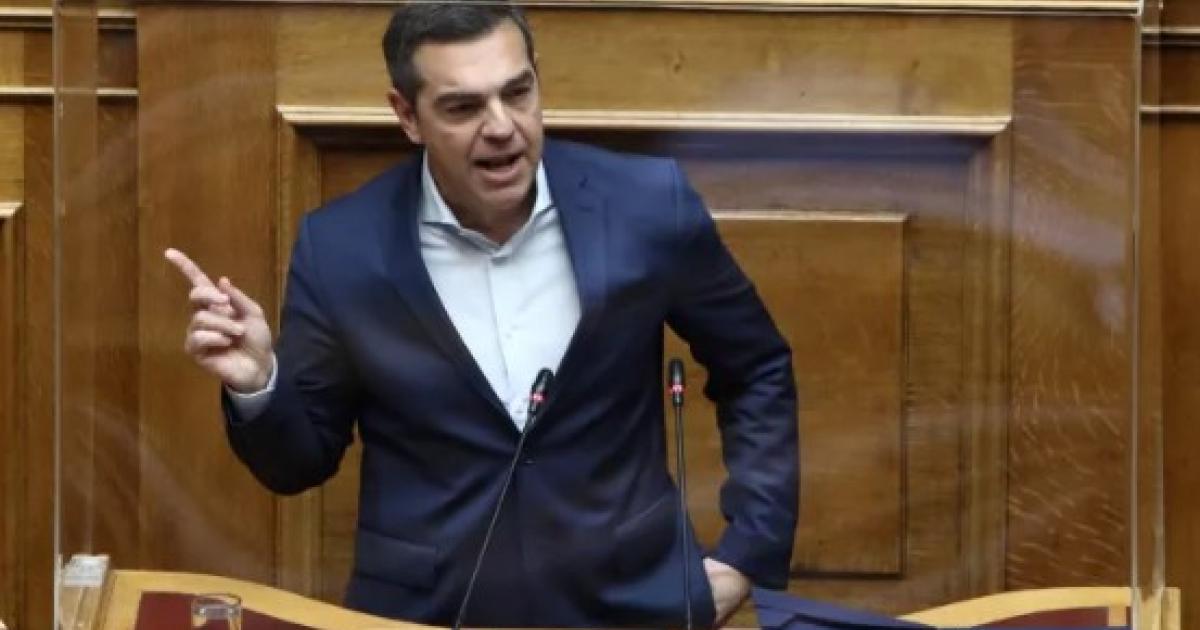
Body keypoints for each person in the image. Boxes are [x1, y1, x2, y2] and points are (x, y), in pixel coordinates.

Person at [165, 3, 798, 627]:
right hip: (429, 612)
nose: (501, 126)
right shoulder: (343, 249)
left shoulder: (646, 206)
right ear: (407, 116)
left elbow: (756, 368)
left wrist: (747, 553)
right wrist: (258, 384)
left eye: (517, 93)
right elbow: (299, 463)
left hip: (630, 604)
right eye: (463, 107)